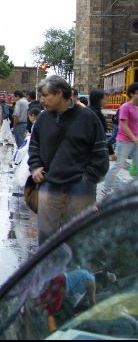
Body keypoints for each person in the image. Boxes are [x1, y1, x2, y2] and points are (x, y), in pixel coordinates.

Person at [29, 76, 109, 244]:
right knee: (46, 238)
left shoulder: (88, 118)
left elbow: (100, 153)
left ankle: (73, 270)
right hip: (49, 185)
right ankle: (48, 269)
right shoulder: (43, 119)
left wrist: (88, 178)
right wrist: (35, 167)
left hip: (80, 188)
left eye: (45, 95)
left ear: (59, 93)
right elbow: (34, 146)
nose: (42, 100)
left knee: (77, 237)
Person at [101, 82, 138, 198]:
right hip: (125, 141)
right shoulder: (125, 107)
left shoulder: (137, 108)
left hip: (135, 141)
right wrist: (133, 138)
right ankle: (106, 189)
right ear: (132, 94)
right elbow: (123, 126)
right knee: (118, 165)